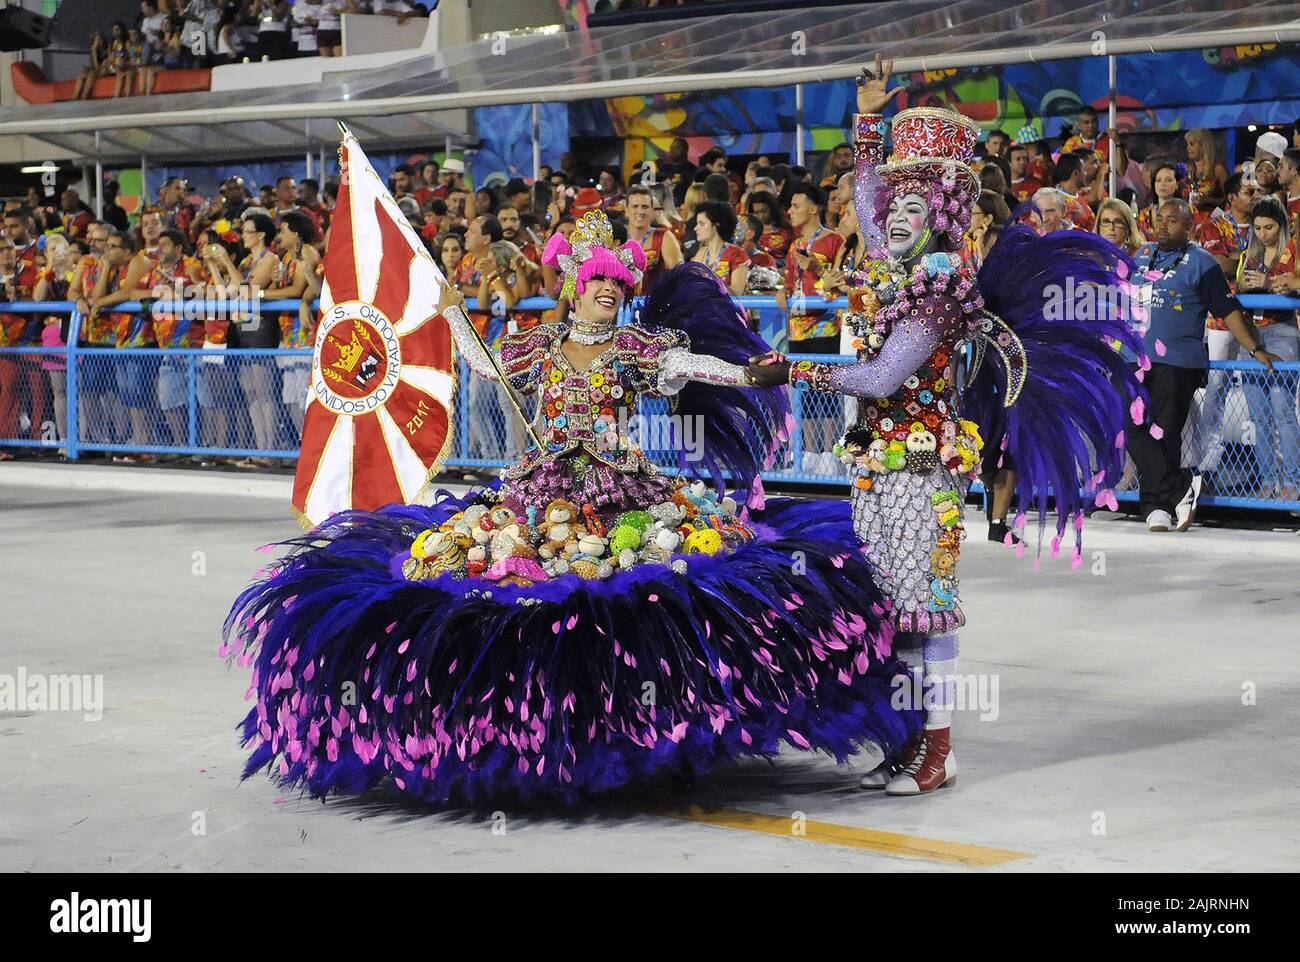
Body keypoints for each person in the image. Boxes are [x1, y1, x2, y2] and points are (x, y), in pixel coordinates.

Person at [224, 209, 924, 805]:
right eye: (596, 289)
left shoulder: (631, 349)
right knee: (520, 577)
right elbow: (484, 367)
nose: (608, 299)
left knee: (643, 578)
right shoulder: (540, 347)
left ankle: (640, 724)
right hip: (542, 486)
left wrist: (743, 372)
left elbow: (686, 368)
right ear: (573, 289)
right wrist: (448, 311)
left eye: (616, 290)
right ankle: (551, 732)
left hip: (622, 487)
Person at [747, 56, 1145, 794]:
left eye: (911, 204)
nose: (892, 214)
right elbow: (866, 201)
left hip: (923, 473)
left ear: (942, 213)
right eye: (893, 204)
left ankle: (939, 749)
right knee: (892, 611)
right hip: (878, 466)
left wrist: (794, 370)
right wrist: (868, 119)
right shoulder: (896, 267)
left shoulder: (938, 286)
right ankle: (904, 740)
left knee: (927, 609)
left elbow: (880, 378)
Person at [1129, 199, 1278, 531]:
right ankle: (1180, 488)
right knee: (1130, 427)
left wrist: (1255, 348)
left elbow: (1228, 311)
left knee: (1165, 433)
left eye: (1171, 221)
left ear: (1188, 227)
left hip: (1178, 362)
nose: (1162, 226)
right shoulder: (1139, 257)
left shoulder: (1202, 262)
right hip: (1133, 358)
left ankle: (1157, 508)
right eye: (1159, 220)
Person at [1232, 196, 1300, 502]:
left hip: (1282, 331)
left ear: (1282, 225)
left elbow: (1295, 284)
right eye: (1257, 227)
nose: (1262, 233)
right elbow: (1238, 288)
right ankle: (1269, 480)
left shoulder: (1294, 249)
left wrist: (1271, 282)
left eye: (1269, 227)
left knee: (1283, 412)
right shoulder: (1251, 254)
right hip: (1252, 334)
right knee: (1259, 416)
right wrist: (1247, 286)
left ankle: (1293, 482)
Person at [624, 184, 681, 295]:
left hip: (654, 306)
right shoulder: (617, 237)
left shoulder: (664, 236)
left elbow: (679, 276)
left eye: (645, 207)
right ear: (626, 210)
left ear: (652, 210)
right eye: (635, 206)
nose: (640, 211)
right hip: (621, 307)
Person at [690, 200, 749, 296]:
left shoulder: (737, 254)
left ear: (716, 226)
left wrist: (711, 283)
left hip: (726, 309)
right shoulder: (701, 253)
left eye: (702, 223)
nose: (695, 228)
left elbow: (737, 293)